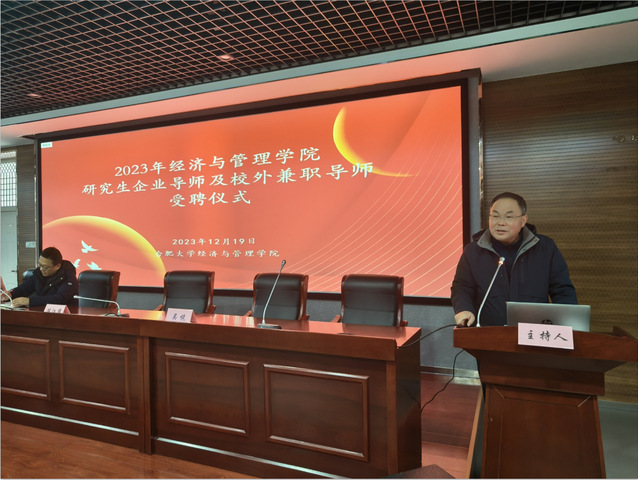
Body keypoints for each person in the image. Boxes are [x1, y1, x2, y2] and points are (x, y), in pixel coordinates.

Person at [451, 192, 577, 327]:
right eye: (495, 216)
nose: (500, 223)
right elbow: (462, 286)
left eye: (509, 217)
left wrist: (567, 322)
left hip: (533, 332)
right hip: (487, 331)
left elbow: (562, 290)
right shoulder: (473, 251)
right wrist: (463, 308)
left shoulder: (545, 248)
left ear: (523, 220)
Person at [4, 247, 78, 307]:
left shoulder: (69, 277)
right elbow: (23, 289)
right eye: (40, 265)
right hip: (41, 312)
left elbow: (60, 299)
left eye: (45, 267)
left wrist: (29, 301)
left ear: (57, 266)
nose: (41, 269)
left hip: (64, 314)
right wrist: (9, 295)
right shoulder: (38, 273)